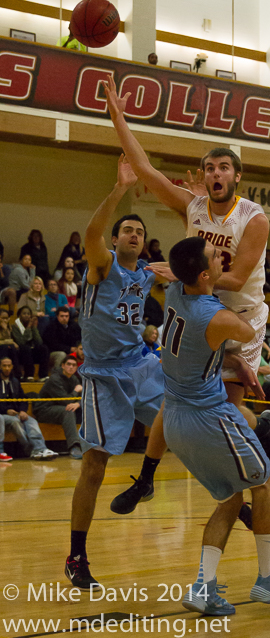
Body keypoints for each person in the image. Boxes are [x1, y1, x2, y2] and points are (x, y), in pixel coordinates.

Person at [105, 75, 270, 512]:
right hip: (198, 310)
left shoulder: (254, 219)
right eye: (210, 168)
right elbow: (146, 170)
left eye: (224, 168)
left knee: (227, 415)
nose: (216, 174)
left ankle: (253, 454)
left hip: (239, 320)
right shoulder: (194, 206)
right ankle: (145, 478)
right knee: (174, 397)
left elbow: (233, 281)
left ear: (237, 175)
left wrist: (178, 276)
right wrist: (119, 118)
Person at [160, 236, 270, 614]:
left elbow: (176, 270)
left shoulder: (174, 291)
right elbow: (250, 331)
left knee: (231, 497)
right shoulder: (216, 316)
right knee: (264, 483)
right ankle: (267, 580)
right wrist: (244, 292)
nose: (223, 258)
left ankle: (203, 587)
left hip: (173, 418)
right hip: (208, 418)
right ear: (204, 274)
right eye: (215, 257)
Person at [65, 155, 166, 590]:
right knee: (94, 465)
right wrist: (120, 189)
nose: (135, 235)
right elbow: (91, 233)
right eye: (128, 229)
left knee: (183, 419)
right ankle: (76, 554)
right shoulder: (101, 265)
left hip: (141, 365)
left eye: (140, 232)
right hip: (104, 375)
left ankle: (147, 481)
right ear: (116, 237)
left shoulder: (146, 274)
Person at [0, 356, 58, 460]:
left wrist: (23, 411)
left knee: (31, 421)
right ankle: (30, 449)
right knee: (15, 422)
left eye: (9, 366)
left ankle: (41, 448)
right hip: (3, 415)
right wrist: (6, 410)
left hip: (16, 413)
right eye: (4, 366)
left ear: (12, 366)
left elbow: (23, 398)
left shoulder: (15, 382)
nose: (7, 368)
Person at [33, 356, 83, 457]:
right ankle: (74, 447)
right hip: (45, 410)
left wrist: (78, 404)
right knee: (68, 411)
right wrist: (75, 391)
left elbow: (84, 397)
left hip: (60, 409)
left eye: (74, 365)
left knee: (87, 409)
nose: (71, 367)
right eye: (68, 364)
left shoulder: (74, 379)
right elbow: (64, 401)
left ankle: (95, 445)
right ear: (63, 366)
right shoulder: (54, 379)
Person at [11, 306, 50, 382]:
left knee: (43, 348)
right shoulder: (14, 327)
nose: (26, 315)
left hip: (31, 353)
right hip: (20, 353)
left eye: (28, 314)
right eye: (24, 313)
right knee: (25, 348)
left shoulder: (32, 325)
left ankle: (43, 375)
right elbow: (21, 342)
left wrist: (34, 328)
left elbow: (39, 341)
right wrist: (28, 328)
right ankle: (29, 375)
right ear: (19, 315)